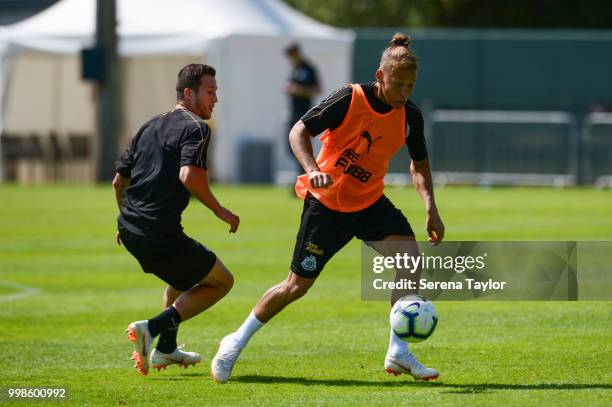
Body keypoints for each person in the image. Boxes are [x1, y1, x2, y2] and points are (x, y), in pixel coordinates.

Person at [211, 33, 445, 383]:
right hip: (327, 205)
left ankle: (399, 352)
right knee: (296, 286)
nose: (403, 93)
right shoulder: (350, 98)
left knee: (410, 262)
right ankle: (234, 342)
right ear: (381, 76)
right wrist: (313, 170)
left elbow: (419, 165)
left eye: (409, 86)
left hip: (369, 203)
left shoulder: (409, 116)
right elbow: (298, 132)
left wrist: (431, 206)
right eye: (397, 84)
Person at [113, 63, 240, 376]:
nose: (215, 99)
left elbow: (119, 181)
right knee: (222, 282)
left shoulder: (148, 126)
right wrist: (220, 210)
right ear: (188, 93)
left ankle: (166, 350)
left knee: (180, 282)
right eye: (210, 92)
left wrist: (125, 220)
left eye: (216, 92)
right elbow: (190, 176)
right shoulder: (196, 128)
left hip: (129, 228)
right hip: (157, 231)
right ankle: (151, 329)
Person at [284, 42, 320, 175]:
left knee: (301, 146)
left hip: (304, 114)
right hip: (293, 112)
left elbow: (317, 89)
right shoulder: (295, 69)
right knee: (291, 148)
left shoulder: (309, 68)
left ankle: (305, 177)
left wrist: (299, 90)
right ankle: (303, 176)